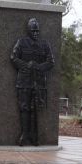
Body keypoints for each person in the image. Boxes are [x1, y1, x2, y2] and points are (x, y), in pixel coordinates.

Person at [11, 18, 55, 146]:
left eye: (37, 31)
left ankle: (34, 136)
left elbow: (51, 62)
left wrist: (39, 67)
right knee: (24, 108)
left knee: (36, 108)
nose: (36, 33)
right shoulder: (21, 42)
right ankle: (24, 134)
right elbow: (13, 57)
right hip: (24, 81)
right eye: (33, 31)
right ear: (28, 31)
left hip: (38, 82)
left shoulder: (45, 44)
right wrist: (26, 65)